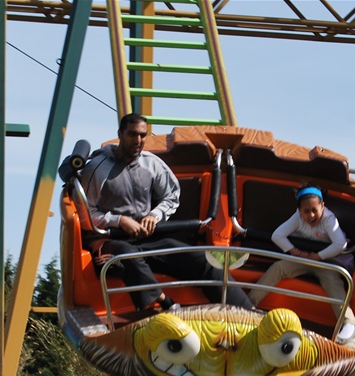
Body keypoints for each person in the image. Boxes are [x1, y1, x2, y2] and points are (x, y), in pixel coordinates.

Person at [79, 113, 252, 312]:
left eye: (143, 136)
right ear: (120, 134)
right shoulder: (97, 169)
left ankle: (248, 313)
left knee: (205, 260)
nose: (138, 141)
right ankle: (163, 304)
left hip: (146, 239)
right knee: (127, 256)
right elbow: (85, 214)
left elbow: (172, 196)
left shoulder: (152, 164)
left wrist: (155, 215)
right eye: (132, 134)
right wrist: (119, 221)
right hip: (109, 241)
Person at [248, 185, 355, 343]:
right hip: (304, 257)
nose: (311, 215)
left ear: (322, 206)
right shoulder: (297, 218)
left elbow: (340, 244)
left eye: (315, 210)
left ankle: (348, 321)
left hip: (325, 261)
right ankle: (248, 304)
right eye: (306, 211)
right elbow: (277, 235)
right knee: (279, 267)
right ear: (299, 211)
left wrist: (318, 257)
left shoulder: (328, 219)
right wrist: (296, 252)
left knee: (332, 281)